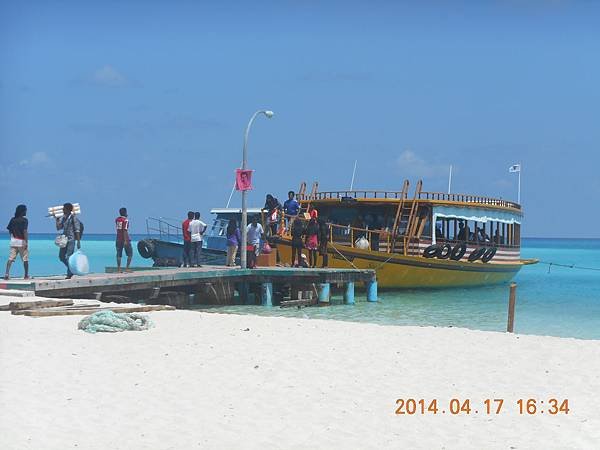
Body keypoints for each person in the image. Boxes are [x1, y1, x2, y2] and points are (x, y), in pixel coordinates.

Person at [56, 203, 81, 279]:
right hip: (64, 239)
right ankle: (72, 269)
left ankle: (69, 274)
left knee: (68, 257)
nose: (63, 210)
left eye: (64, 209)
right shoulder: (63, 218)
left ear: (68, 209)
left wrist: (78, 241)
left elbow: (77, 230)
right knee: (61, 257)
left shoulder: (74, 218)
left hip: (71, 239)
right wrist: (57, 220)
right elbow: (58, 228)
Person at [4, 204, 29, 280]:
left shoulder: (13, 219)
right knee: (25, 259)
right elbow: (25, 231)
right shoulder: (25, 220)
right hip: (21, 241)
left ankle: (7, 274)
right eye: (25, 211)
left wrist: (12, 236)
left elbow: (9, 230)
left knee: (11, 258)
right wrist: (26, 241)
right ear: (22, 211)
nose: (26, 212)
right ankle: (26, 275)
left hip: (14, 240)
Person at [115, 207, 132, 272]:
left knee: (119, 254)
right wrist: (125, 240)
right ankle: (127, 268)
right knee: (130, 254)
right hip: (125, 239)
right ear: (125, 212)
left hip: (118, 239)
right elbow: (125, 230)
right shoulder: (126, 220)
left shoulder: (117, 219)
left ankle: (118, 269)